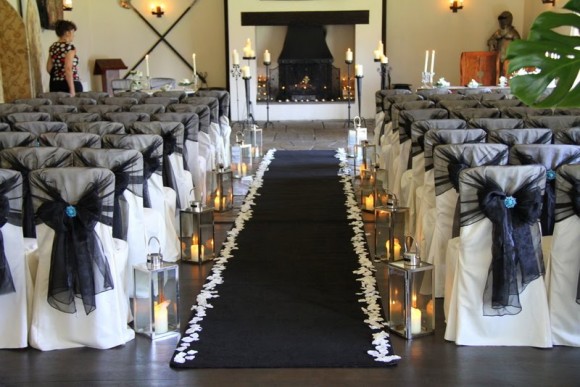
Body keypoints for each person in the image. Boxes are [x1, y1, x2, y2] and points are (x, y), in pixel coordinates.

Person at [47, 19, 82, 95]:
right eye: (73, 32)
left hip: (55, 84)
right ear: (67, 32)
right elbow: (68, 68)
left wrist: (58, 75)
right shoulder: (69, 47)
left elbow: (49, 68)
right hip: (69, 84)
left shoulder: (53, 47)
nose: (74, 35)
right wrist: (72, 89)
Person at [487, 11, 521, 77]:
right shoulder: (498, 32)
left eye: (504, 19)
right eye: (501, 19)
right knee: (497, 74)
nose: (502, 21)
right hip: (498, 57)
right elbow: (490, 41)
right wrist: (492, 44)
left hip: (509, 57)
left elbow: (519, 45)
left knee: (508, 74)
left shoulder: (513, 32)